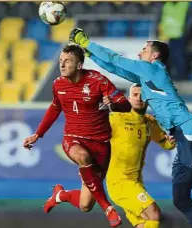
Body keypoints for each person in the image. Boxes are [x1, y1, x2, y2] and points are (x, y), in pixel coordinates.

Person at [69, 28, 192, 228]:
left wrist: (85, 42)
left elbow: (116, 59)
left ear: (154, 55)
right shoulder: (146, 77)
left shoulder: (153, 69)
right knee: (180, 198)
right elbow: (115, 69)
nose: (140, 53)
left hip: (190, 132)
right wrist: (90, 54)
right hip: (182, 140)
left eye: (144, 49)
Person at [23, 44, 131, 227]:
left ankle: (59, 195)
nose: (62, 65)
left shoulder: (98, 81)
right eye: (60, 61)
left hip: (101, 144)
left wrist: (113, 105)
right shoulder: (58, 84)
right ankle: (108, 208)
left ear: (79, 65)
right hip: (73, 138)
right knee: (82, 156)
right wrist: (37, 134)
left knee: (85, 204)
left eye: (67, 61)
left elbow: (126, 105)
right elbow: (55, 108)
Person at [107, 83, 176, 228]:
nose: (138, 98)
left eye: (142, 95)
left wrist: (171, 142)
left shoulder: (150, 122)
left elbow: (165, 143)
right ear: (128, 99)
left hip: (136, 183)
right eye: (135, 95)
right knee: (154, 214)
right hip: (119, 183)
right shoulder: (116, 118)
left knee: (144, 223)